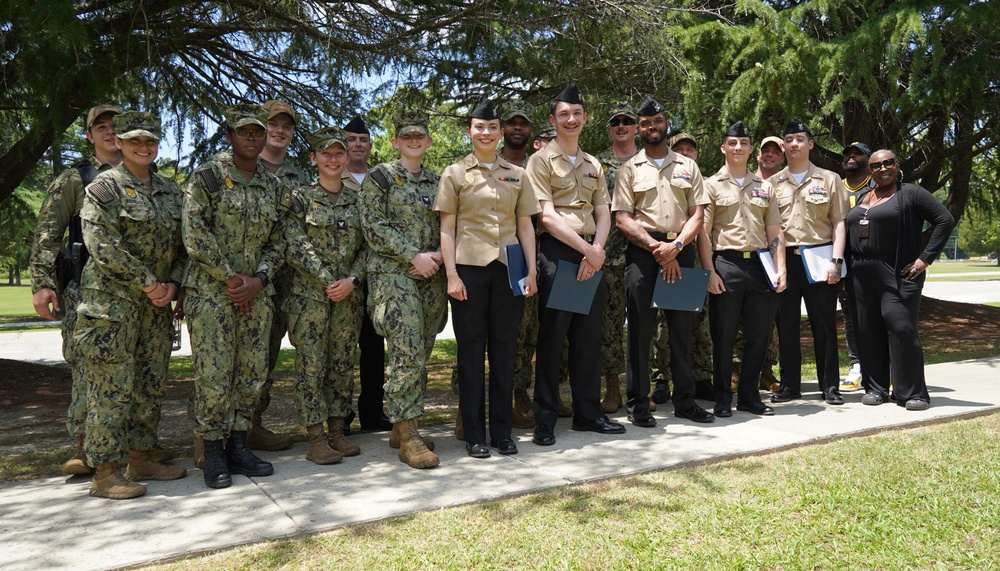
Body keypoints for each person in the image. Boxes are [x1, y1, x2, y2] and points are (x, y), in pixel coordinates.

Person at [75, 111, 188, 498]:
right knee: (111, 388)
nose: (144, 147)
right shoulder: (103, 189)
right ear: (120, 142)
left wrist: (172, 283)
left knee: (149, 385)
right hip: (113, 306)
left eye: (151, 141)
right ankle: (105, 472)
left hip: (155, 307)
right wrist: (149, 283)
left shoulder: (173, 192)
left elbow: (184, 245)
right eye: (135, 140)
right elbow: (102, 245)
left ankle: (140, 458)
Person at [183, 104, 289, 489]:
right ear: (229, 136)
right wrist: (232, 280)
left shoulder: (274, 186)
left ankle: (239, 446)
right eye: (243, 132)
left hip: (257, 294)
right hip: (212, 293)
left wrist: (259, 279)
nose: (251, 138)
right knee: (214, 375)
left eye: (257, 132)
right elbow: (195, 234)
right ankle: (212, 451)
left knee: (250, 373)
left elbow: (281, 238)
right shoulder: (208, 176)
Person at [436, 99, 539, 458]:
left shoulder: (517, 174)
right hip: (469, 269)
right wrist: (451, 274)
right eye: (479, 127)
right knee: (470, 350)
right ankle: (475, 435)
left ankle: (502, 432)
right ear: (469, 132)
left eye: (492, 127)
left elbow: (525, 225)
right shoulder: (454, 173)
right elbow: (446, 228)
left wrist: (531, 271)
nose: (486, 133)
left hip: (508, 269)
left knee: (505, 349)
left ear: (499, 132)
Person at [525, 83, 626, 446]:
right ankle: (546, 420)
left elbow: (603, 210)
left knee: (588, 339)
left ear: (585, 118)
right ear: (553, 120)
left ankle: (588, 413)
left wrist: (597, 250)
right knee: (553, 341)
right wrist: (588, 250)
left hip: (590, 255)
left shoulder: (593, 164)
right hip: (559, 254)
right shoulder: (539, 161)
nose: (571, 120)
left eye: (577, 114)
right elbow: (547, 216)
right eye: (564, 115)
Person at [29, 104, 126, 475]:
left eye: (116, 126)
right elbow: (47, 234)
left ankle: (137, 448)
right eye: (101, 127)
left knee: (135, 369)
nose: (110, 132)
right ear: (89, 135)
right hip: (85, 291)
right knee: (88, 370)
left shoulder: (146, 177)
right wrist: (42, 284)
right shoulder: (77, 179)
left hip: (136, 292)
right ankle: (85, 448)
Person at [613, 96, 714, 428]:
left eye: (656, 121)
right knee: (640, 330)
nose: (651, 127)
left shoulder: (688, 166)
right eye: (644, 123)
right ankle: (638, 403)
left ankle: (685, 400)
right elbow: (623, 219)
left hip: (681, 247)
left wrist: (678, 245)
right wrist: (658, 247)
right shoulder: (629, 169)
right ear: (638, 128)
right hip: (644, 252)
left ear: (666, 123)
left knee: (681, 330)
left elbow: (698, 213)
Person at [359, 109, 447, 469]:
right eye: (406, 136)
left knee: (422, 348)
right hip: (393, 277)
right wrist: (413, 255)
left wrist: (440, 255)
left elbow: (451, 223)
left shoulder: (438, 181)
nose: (414, 141)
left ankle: (400, 424)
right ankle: (408, 436)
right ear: (395, 142)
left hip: (432, 276)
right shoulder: (380, 177)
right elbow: (372, 225)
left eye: (420, 136)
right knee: (406, 351)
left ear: (428, 141)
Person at [846, 150, 954, 410]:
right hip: (860, 274)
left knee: (902, 329)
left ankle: (913, 393)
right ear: (870, 171)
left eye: (888, 163)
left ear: (897, 165)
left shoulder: (911, 194)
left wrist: (924, 259)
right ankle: (876, 388)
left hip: (896, 272)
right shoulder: (863, 197)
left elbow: (944, 220)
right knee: (867, 331)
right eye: (876, 165)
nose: (883, 168)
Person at [283, 126, 366, 464]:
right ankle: (315, 438)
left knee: (343, 365)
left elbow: (367, 247)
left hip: (348, 297)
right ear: (313, 158)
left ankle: (336, 431)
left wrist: (352, 280)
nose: (333, 159)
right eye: (326, 154)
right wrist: (327, 279)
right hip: (310, 299)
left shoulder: (357, 201)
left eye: (338, 153)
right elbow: (294, 243)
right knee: (311, 367)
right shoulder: (299, 198)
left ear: (346, 158)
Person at [698, 121, 786, 418]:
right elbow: (704, 233)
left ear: (751, 149)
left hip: (761, 265)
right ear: (723, 147)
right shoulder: (710, 185)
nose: (738, 148)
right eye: (732, 143)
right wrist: (709, 271)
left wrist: (780, 268)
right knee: (722, 336)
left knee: (759, 336)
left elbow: (774, 231)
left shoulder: (765, 187)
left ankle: (749, 397)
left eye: (744, 143)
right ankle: (723, 397)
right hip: (726, 263)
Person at [770, 119, 849, 406]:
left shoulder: (830, 179)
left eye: (800, 139)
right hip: (786, 261)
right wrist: (777, 269)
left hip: (820, 259)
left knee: (824, 325)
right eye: (789, 139)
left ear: (810, 144)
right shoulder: (771, 184)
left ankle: (830, 386)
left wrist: (837, 261)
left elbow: (839, 223)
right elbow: (769, 230)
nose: (794, 144)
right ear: (783, 145)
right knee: (787, 326)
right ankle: (790, 385)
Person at [247, 99, 310, 452]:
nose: (280, 131)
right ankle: (213, 436)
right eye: (273, 124)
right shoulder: (242, 166)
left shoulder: (297, 177)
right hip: (244, 281)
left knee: (267, 356)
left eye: (286, 126)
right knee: (233, 359)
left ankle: (253, 424)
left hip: (285, 281)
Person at [649, 131, 714, 407]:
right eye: (680, 149)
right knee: (663, 322)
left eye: (690, 149)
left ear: (696, 154)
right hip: (668, 255)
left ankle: (700, 378)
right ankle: (662, 379)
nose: (686, 153)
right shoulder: (662, 178)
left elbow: (706, 226)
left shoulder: (705, 183)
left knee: (697, 322)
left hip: (697, 258)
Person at [341, 116, 393, 432]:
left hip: (377, 279)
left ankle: (372, 414)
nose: (357, 144)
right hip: (345, 279)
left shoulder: (383, 180)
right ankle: (340, 416)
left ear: (370, 146)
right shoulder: (331, 177)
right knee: (342, 351)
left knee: (374, 351)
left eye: (363, 139)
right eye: (351, 139)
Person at [594, 102, 638, 414]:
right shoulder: (597, 164)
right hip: (608, 257)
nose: (621, 126)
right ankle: (612, 389)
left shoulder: (649, 161)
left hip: (641, 255)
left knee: (642, 325)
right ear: (610, 129)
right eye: (616, 122)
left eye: (627, 121)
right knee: (608, 328)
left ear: (636, 127)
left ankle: (640, 387)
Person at [499, 99, 539, 430]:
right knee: (492, 332)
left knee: (526, 331)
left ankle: (518, 394)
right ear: (502, 129)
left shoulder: (538, 166)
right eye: (511, 123)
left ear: (530, 130)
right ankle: (473, 405)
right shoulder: (488, 163)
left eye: (523, 123)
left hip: (534, 258)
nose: (517, 128)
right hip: (499, 259)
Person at [837, 141, 874, 392]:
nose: (851, 156)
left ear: (868, 159)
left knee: (879, 314)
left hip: (872, 259)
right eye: (848, 153)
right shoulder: (836, 186)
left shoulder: (877, 184)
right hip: (843, 260)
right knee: (850, 315)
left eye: (857, 153)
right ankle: (857, 365)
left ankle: (884, 365)